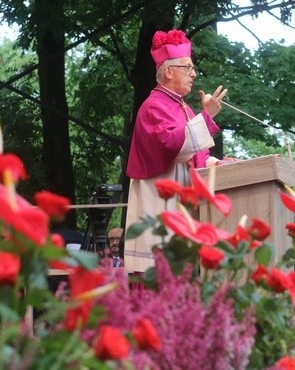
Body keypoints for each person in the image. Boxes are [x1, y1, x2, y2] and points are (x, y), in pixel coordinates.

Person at [124, 29, 236, 272]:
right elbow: (171, 145)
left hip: (181, 200)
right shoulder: (153, 106)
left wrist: (219, 165)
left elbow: (197, 157)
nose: (194, 74)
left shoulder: (183, 107)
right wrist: (207, 117)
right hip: (160, 199)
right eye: (188, 68)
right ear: (168, 71)